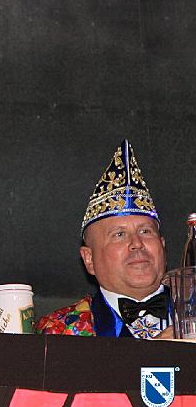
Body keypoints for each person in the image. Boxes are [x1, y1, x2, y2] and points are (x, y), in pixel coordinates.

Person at [36, 139, 170, 338]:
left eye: (145, 231)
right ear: (89, 259)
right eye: (119, 234)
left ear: (163, 246)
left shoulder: (191, 314)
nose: (137, 244)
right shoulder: (61, 331)